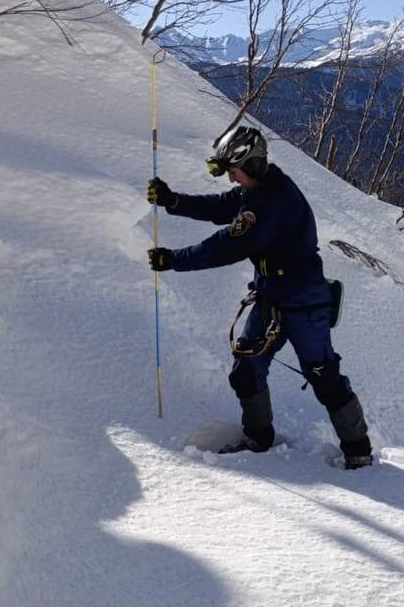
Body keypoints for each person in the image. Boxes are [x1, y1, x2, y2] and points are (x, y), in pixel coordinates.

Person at [146, 125, 373, 470]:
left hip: (305, 302)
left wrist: (174, 259)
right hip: (270, 297)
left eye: (234, 172)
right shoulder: (262, 185)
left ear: (250, 166)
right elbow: (223, 207)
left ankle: (359, 452)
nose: (232, 180)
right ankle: (258, 440)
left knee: (323, 375)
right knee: (246, 370)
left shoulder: (273, 202)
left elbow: (226, 246)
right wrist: (172, 201)